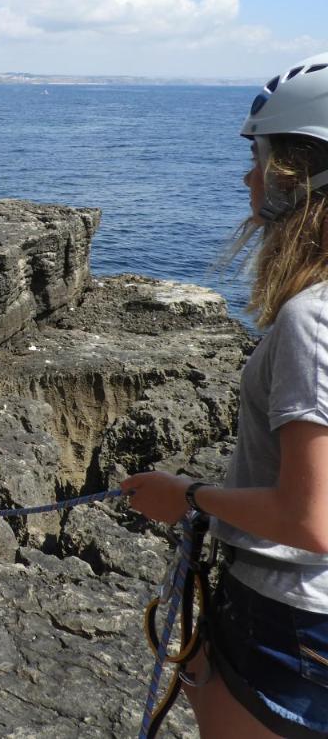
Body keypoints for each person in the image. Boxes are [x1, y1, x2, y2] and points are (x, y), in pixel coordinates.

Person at [123, 53, 328, 738]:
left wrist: (187, 498)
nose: (248, 176)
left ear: (297, 179)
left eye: (263, 159)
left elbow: (310, 520)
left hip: (290, 616)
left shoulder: (313, 320)